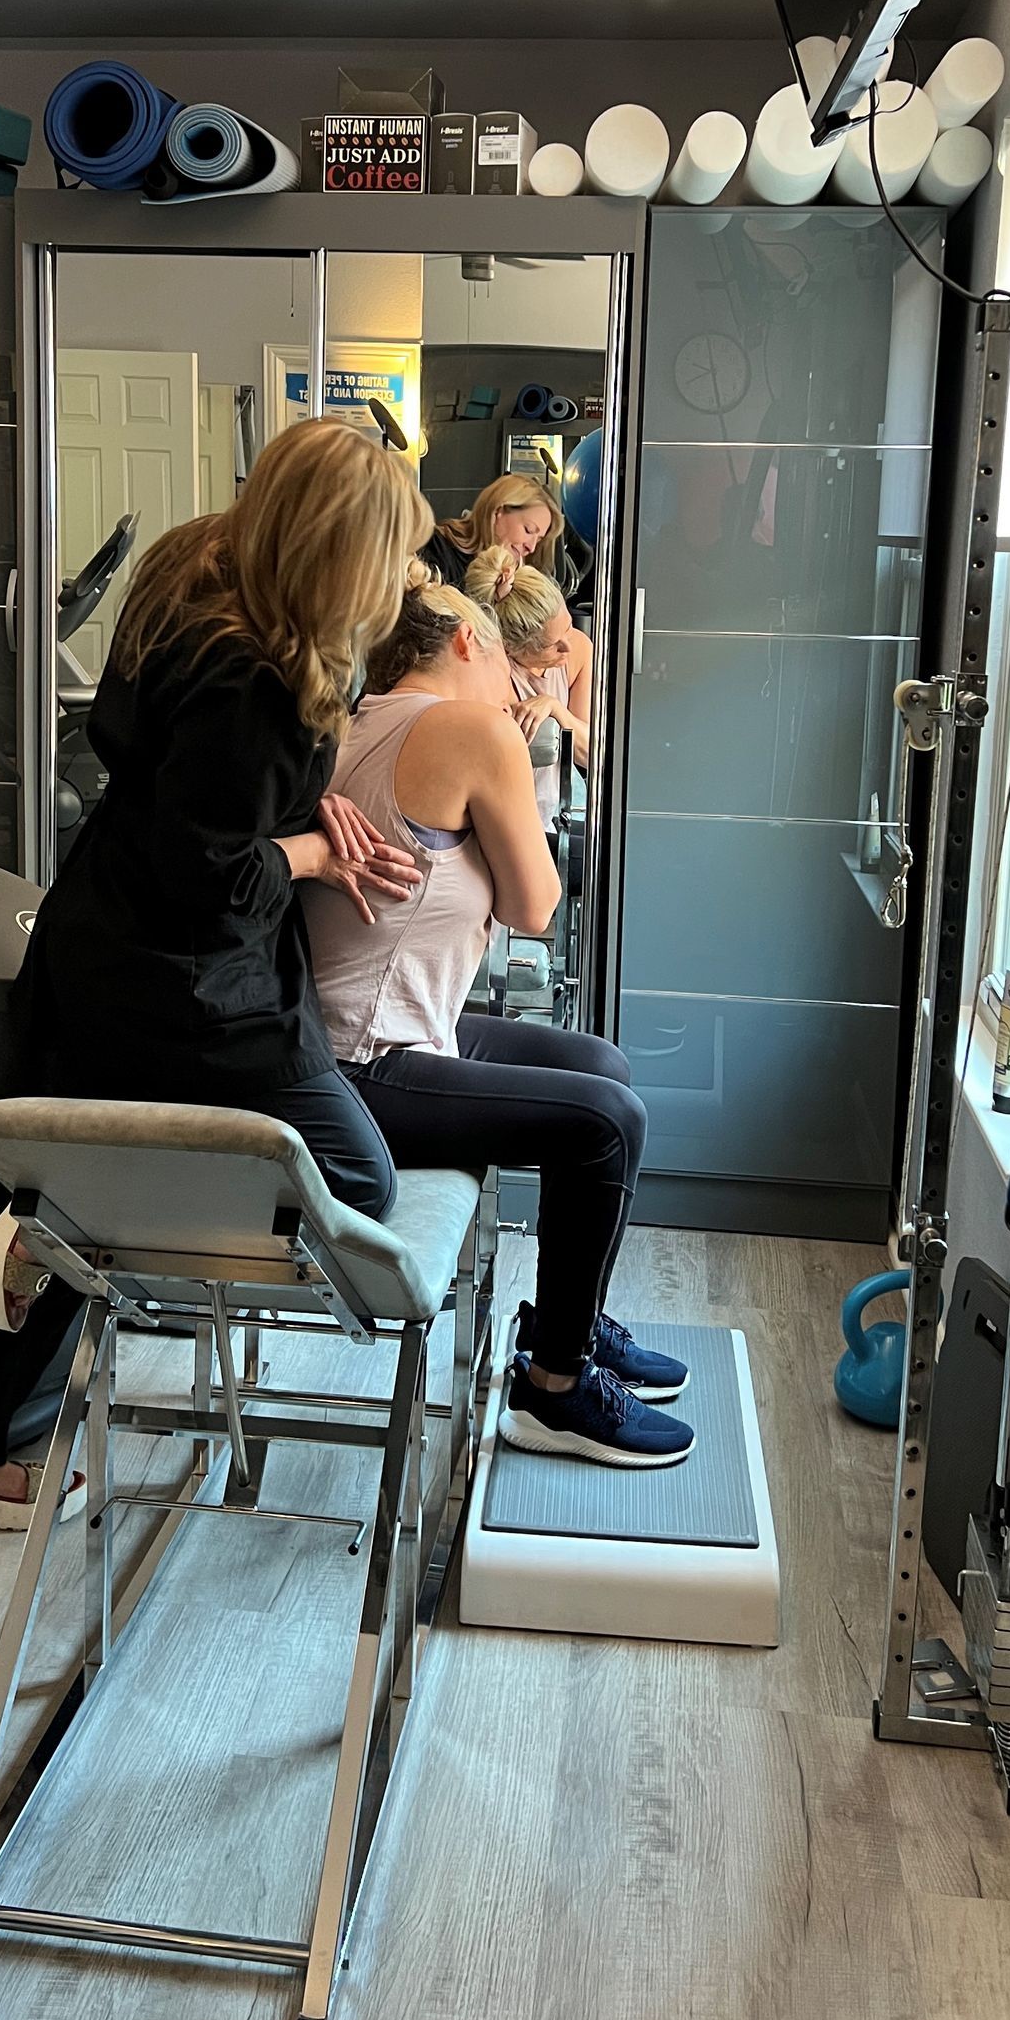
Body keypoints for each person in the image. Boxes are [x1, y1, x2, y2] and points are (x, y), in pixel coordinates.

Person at [0, 421, 431, 1543]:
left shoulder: (196, 564)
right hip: (184, 979)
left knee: (37, 1192)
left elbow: (169, 768)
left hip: (94, 938)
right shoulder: (264, 681)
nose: (400, 587)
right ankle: (85, 1234)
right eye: (393, 560)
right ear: (339, 551)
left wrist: (291, 803)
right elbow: (213, 874)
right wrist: (312, 851)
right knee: (357, 1185)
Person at [301, 569, 693, 1468]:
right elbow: (537, 906)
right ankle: (552, 1391)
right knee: (608, 1122)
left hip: (385, 1027)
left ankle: (574, 1324)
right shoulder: (466, 729)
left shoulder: (358, 722)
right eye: (505, 661)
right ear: (467, 640)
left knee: (604, 1066)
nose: (521, 685)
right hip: (366, 1065)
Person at [465, 543, 593, 829]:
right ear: (511, 648)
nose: (567, 646)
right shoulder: (492, 671)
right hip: (508, 818)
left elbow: (591, 755)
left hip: (563, 811)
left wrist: (555, 708)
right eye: (552, 645)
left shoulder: (580, 650)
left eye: (569, 627)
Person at [421, 471, 562, 590]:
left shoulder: (513, 578)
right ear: (498, 512)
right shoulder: (436, 549)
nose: (531, 548)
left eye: (539, 539)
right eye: (528, 530)